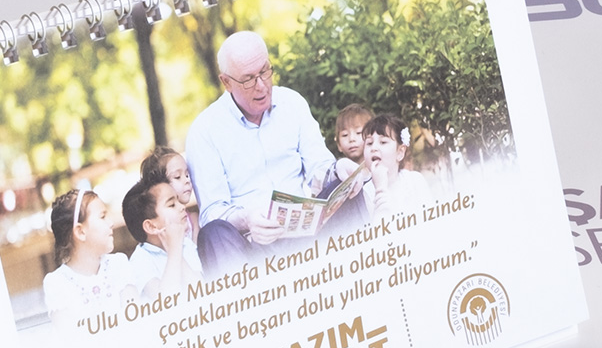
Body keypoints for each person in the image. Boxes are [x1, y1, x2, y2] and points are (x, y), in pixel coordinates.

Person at [183, 31, 352, 272]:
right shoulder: (204, 130)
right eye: (248, 79)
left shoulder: (292, 103)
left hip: (307, 231)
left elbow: (319, 166)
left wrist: (338, 169)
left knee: (346, 185)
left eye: (264, 71)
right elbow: (212, 212)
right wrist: (247, 219)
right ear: (226, 82)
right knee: (213, 233)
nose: (261, 86)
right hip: (250, 245)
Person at [42, 188, 137, 323]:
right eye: (102, 217)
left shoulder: (119, 265)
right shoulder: (57, 283)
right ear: (80, 232)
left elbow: (135, 321)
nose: (111, 223)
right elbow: (68, 333)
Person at [122, 174, 201, 298]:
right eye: (172, 205)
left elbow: (202, 292)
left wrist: (176, 248)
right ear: (151, 227)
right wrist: (174, 251)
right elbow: (165, 302)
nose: (182, 207)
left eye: (178, 201)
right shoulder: (140, 260)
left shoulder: (186, 244)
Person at [360, 114, 430, 216]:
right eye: (369, 143)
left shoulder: (415, 181)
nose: (374, 148)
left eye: (383, 142)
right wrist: (380, 189)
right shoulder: (364, 193)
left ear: (400, 152)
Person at [141, 146, 199, 245]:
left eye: (187, 175)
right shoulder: (161, 228)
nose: (187, 180)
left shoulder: (194, 220)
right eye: (177, 177)